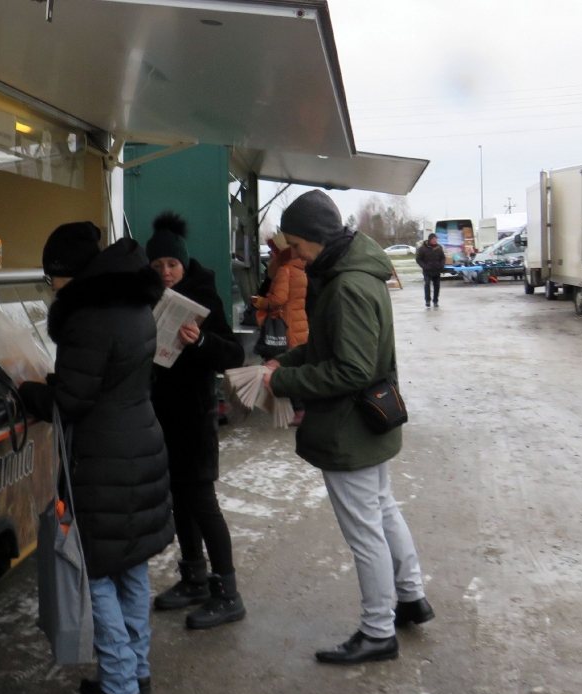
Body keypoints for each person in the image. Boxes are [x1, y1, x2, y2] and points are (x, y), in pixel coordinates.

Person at [262, 190, 434, 666]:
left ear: (317, 237)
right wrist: (285, 361)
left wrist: (281, 381)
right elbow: (328, 345)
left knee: (365, 531)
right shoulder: (354, 272)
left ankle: (378, 631)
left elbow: (350, 369)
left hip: (349, 427)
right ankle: (411, 597)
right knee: (383, 510)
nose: (295, 256)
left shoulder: (346, 286)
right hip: (368, 419)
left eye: (297, 245)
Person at [17, 222, 173, 694]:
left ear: (69, 273)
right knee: (130, 568)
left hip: (103, 458)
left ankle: (120, 689)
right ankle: (135, 672)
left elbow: (72, 401)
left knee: (98, 573)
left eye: (52, 277)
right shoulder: (132, 303)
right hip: (138, 445)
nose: (52, 286)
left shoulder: (87, 317)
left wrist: (28, 391)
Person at [146, 212, 247, 629]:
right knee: (179, 498)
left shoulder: (203, 294)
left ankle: (228, 593)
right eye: (158, 265)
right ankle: (194, 578)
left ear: (184, 263)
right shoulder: (147, 297)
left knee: (202, 501)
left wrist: (201, 340)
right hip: (160, 415)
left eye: (172, 264)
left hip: (194, 416)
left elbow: (233, 354)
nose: (166, 272)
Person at [253, 234, 308, 425]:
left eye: (273, 250)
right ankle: (300, 408)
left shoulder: (284, 270)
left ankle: (299, 410)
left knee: (285, 368)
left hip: (285, 326)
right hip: (298, 324)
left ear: (281, 252)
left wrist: (260, 302)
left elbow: (279, 300)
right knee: (295, 367)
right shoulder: (299, 269)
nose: (270, 254)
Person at [415, 233, 446, 308]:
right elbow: (418, 259)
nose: (435, 240)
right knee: (427, 284)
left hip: (437, 270)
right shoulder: (423, 248)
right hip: (427, 271)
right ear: (430, 240)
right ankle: (427, 301)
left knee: (437, 286)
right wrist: (424, 266)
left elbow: (443, 258)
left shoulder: (439, 248)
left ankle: (435, 301)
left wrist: (441, 265)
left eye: (436, 239)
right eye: (433, 239)